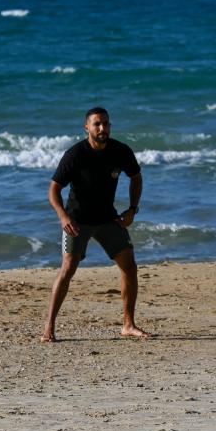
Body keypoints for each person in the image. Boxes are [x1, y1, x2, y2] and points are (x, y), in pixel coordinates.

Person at [41, 107, 151, 342]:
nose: (103, 129)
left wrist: (132, 209)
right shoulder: (75, 155)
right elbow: (54, 189)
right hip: (77, 221)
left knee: (129, 266)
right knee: (68, 269)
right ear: (87, 128)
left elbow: (136, 177)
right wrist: (63, 216)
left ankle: (128, 325)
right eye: (97, 124)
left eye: (106, 124)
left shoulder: (120, 151)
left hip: (107, 219)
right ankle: (49, 328)